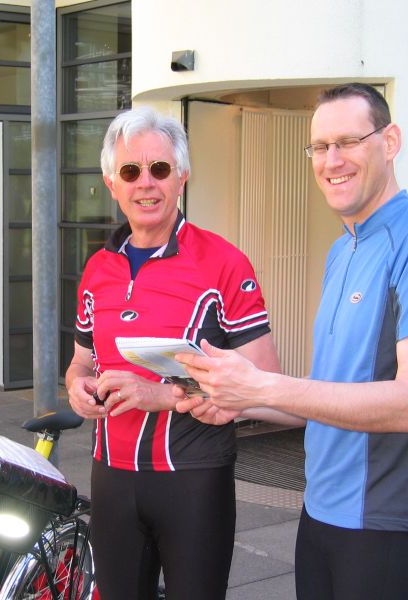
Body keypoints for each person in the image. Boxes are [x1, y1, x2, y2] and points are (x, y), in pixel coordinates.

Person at [174, 83, 408, 600]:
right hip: (320, 509)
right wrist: (243, 400)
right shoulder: (343, 251)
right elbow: (329, 394)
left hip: (385, 518)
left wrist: (262, 386)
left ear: (390, 141)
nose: (331, 160)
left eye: (349, 141)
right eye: (320, 147)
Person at [65, 106, 281, 600]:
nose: (146, 183)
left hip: (193, 479)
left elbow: (267, 383)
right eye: (130, 171)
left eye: (159, 169)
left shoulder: (224, 263)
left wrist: (159, 394)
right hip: (111, 477)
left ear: (181, 176)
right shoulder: (98, 269)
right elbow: (80, 361)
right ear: (110, 182)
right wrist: (77, 387)